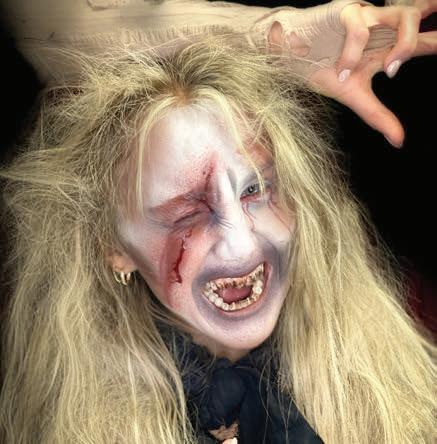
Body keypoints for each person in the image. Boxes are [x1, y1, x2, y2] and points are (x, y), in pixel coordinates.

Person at [0, 1, 436, 443]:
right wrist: (270, 38)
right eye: (187, 213)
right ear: (114, 246)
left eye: (255, 190)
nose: (242, 245)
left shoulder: (396, 360)